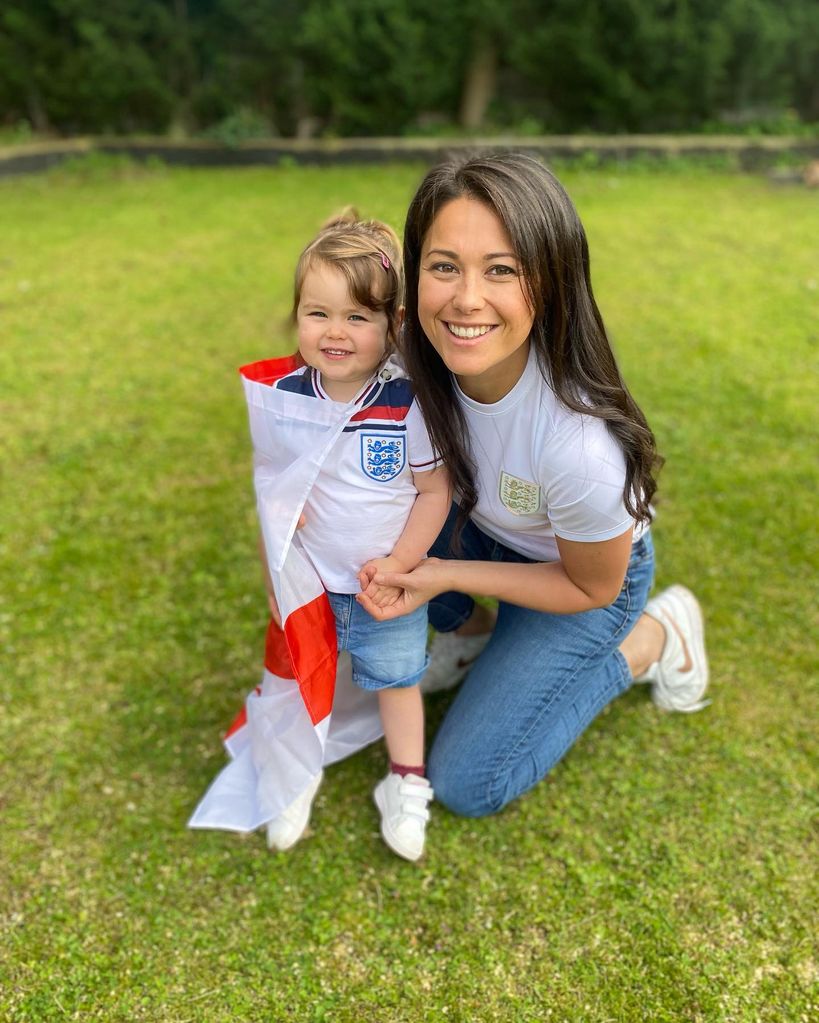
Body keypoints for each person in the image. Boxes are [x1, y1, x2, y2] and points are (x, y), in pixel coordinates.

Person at [357, 152, 709, 819]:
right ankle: (476, 635)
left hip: (579, 582)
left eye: (501, 270)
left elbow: (588, 586)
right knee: (368, 492)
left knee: (467, 781)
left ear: (548, 283)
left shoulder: (578, 446)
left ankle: (658, 637)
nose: (465, 299)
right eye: (443, 266)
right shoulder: (411, 351)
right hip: (485, 532)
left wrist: (441, 574)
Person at [261, 211, 451, 859]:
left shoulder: (407, 403)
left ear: (391, 326)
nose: (335, 332)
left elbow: (434, 491)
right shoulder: (285, 394)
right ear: (296, 317)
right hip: (311, 579)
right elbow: (272, 489)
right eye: (317, 313)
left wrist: (401, 564)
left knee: (397, 680)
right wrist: (278, 555)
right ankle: (293, 772)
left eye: (357, 317)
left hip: (385, 585)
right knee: (301, 680)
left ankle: (404, 781)